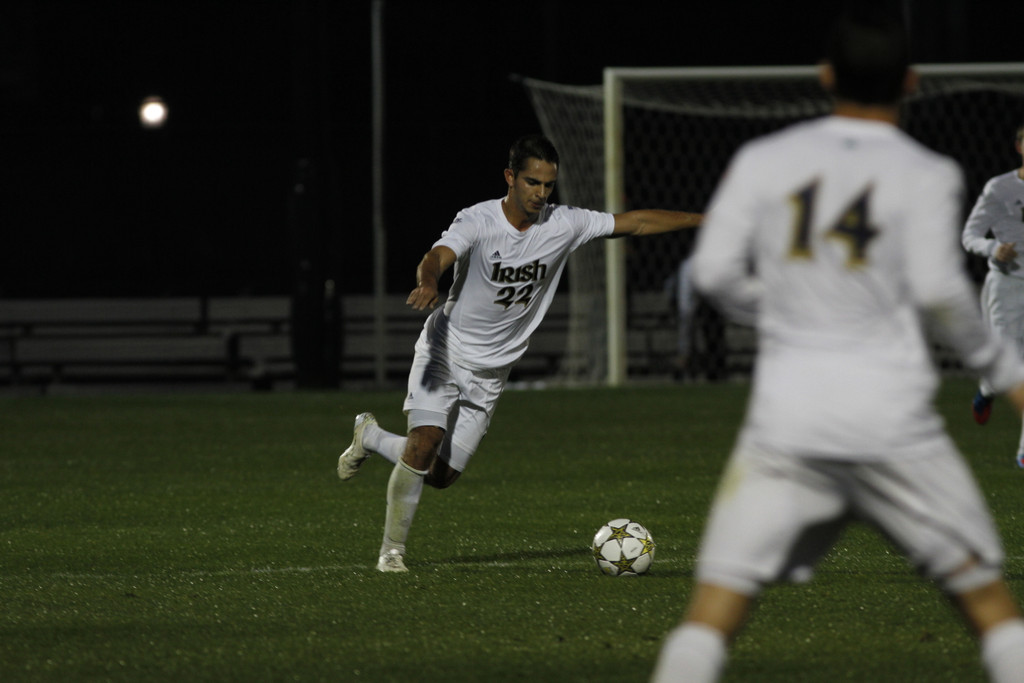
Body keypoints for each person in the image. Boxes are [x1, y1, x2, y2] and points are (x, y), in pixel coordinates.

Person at [650, 10, 1024, 683]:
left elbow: (711, 273)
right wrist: (1007, 372)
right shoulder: (926, 171)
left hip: (788, 424)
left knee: (711, 614)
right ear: (910, 82)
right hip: (892, 423)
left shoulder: (765, 160)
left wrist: (783, 311)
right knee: (990, 605)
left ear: (825, 77)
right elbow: (943, 291)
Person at [336, 133, 703, 573]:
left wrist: (705, 219)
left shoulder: (564, 224)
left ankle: (371, 437)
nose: (541, 194)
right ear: (510, 177)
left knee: (440, 475)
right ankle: (391, 553)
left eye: (548, 185)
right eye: (532, 182)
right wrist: (429, 280)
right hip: (444, 349)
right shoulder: (478, 220)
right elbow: (437, 255)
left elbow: (637, 222)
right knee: (424, 441)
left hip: (492, 372)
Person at [961, 121, 1024, 467]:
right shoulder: (999, 188)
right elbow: (969, 236)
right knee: (1008, 371)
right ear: (1019, 146)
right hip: (1009, 284)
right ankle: (987, 392)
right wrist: (994, 248)